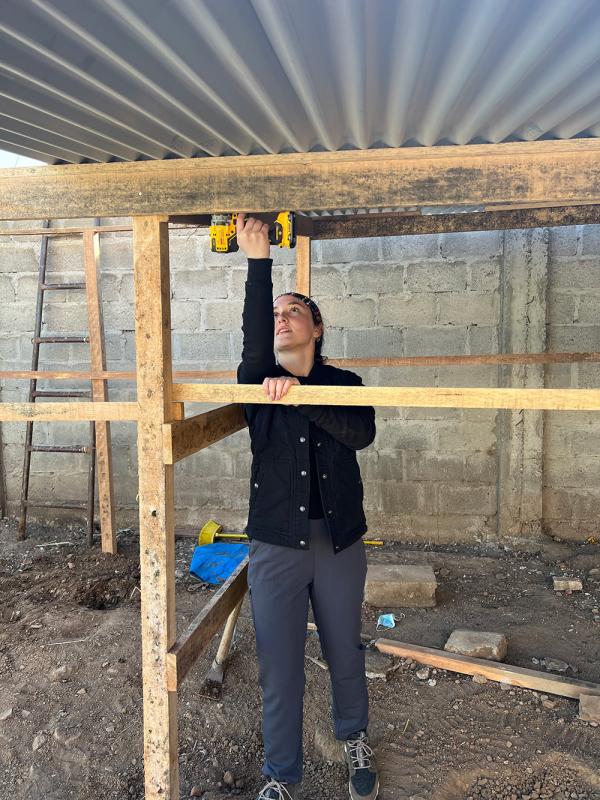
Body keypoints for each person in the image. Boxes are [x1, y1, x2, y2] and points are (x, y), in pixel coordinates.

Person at [235, 213, 379, 800]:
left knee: (345, 645)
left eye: (293, 310)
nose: (281, 319)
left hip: (339, 542)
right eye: (277, 313)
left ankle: (355, 739)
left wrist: (303, 397)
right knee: (280, 664)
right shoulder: (254, 380)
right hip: (275, 544)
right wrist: (258, 264)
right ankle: (280, 775)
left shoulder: (345, 382)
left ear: (317, 327)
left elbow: (361, 434)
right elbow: (251, 334)